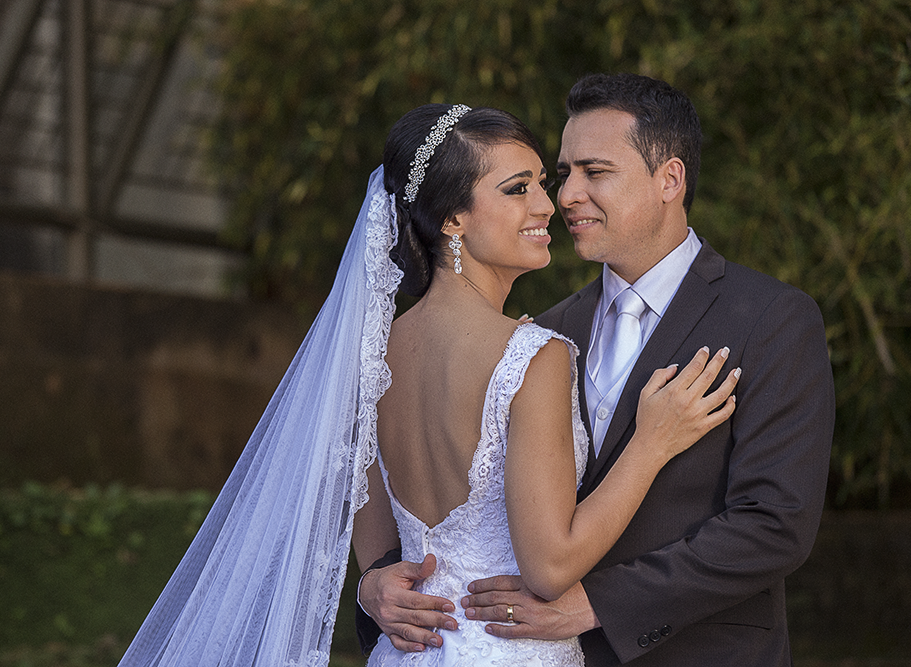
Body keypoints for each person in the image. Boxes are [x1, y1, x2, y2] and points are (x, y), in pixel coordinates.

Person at [117, 101, 736, 667]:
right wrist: (652, 443)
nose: (549, 206)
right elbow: (549, 567)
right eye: (517, 189)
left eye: (540, 185)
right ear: (452, 219)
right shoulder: (534, 356)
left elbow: (381, 553)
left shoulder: (370, 354)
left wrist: (370, 586)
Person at [357, 75, 835, 666]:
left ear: (670, 179)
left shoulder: (770, 319)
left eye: (595, 172)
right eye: (563, 175)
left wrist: (598, 604)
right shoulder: (545, 334)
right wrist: (373, 585)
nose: (565, 197)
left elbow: (775, 525)